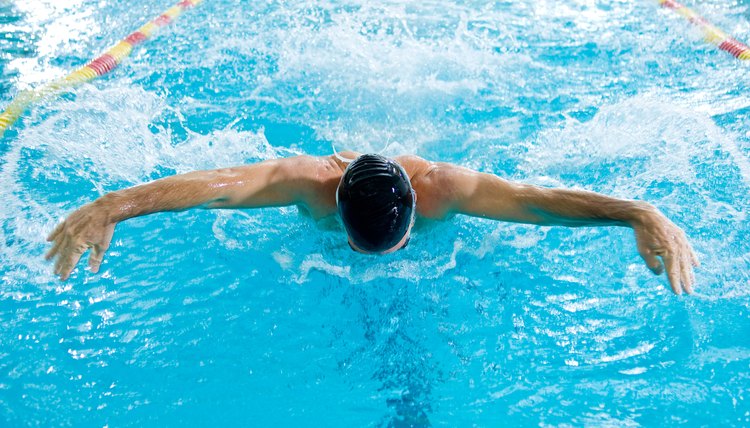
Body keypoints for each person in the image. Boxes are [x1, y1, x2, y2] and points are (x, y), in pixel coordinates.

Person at [45, 152, 699, 294]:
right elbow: (213, 187)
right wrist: (113, 205)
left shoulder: (445, 190)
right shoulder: (306, 184)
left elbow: (536, 199)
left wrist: (637, 213)